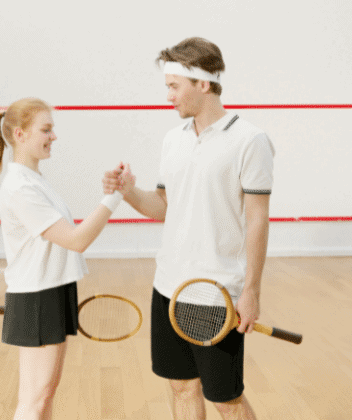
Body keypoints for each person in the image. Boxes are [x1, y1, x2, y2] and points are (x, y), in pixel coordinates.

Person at [103, 37, 274, 419]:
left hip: (215, 294)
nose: (168, 96)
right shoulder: (173, 140)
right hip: (168, 286)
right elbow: (164, 207)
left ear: (203, 83)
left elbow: (257, 219)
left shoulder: (250, 140)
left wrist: (251, 292)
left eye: (173, 86)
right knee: (182, 389)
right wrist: (129, 192)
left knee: (225, 400)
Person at [0, 97, 123, 420]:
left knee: (44, 395)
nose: (53, 136)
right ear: (19, 135)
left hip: (52, 289)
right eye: (46, 129)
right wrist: (116, 197)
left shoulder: (35, 180)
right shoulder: (19, 186)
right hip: (36, 295)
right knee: (33, 400)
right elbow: (76, 240)